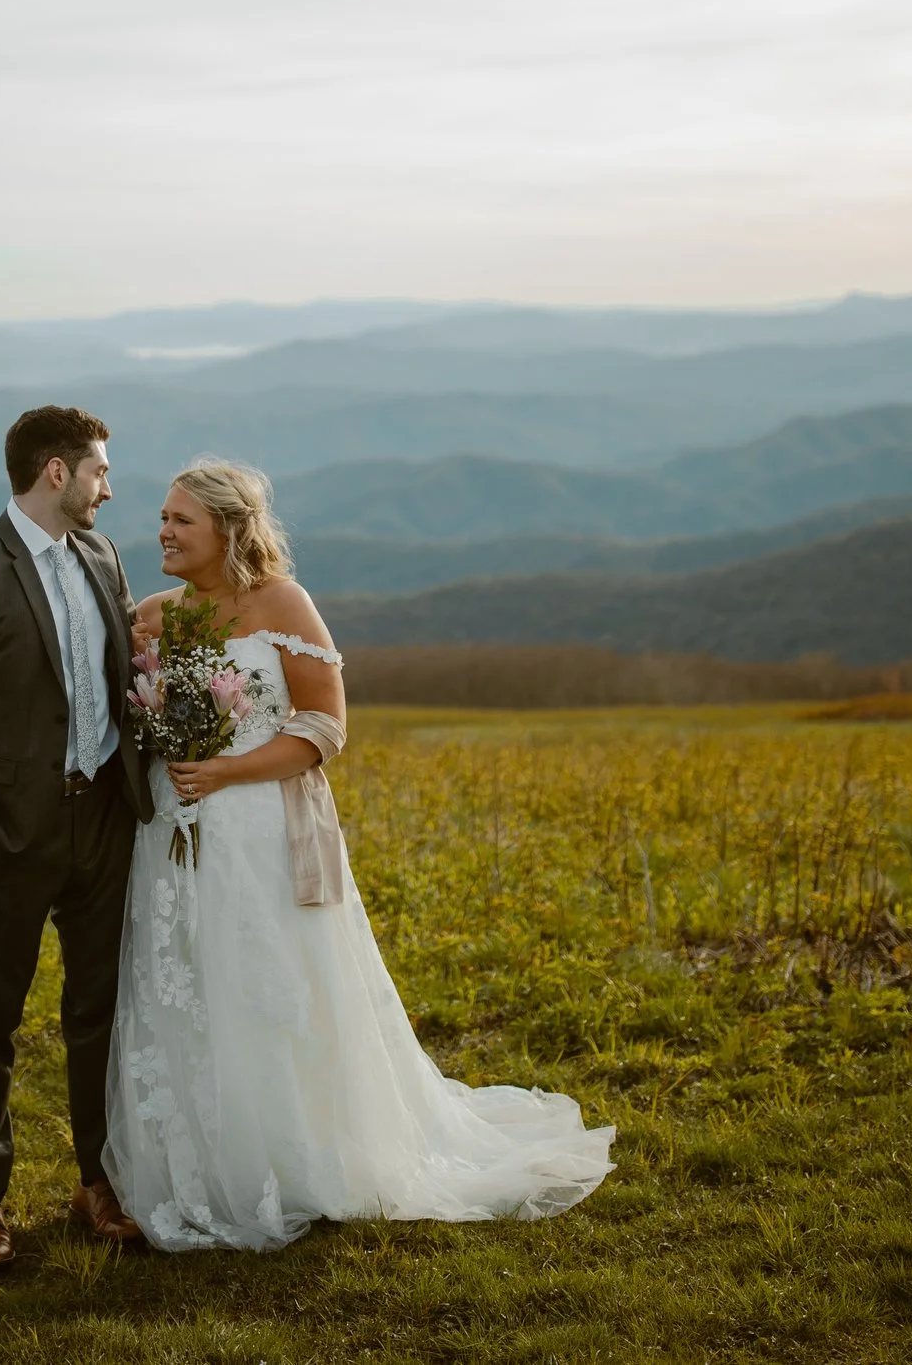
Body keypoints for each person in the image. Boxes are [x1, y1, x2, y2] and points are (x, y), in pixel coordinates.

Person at [103, 458, 615, 1251]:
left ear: (228, 531)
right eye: (163, 518)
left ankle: (294, 1158)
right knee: (185, 987)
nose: (162, 532)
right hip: (174, 836)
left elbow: (324, 726)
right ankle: (199, 1165)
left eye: (180, 521)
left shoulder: (283, 603)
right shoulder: (153, 615)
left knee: (270, 993)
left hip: (263, 832)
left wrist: (228, 767)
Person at [0, 406, 156, 1269]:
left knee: (100, 1009)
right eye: (98, 471)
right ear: (57, 471)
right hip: (12, 831)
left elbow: (123, 676)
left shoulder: (102, 556)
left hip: (105, 821)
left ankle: (99, 1177)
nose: (107, 488)